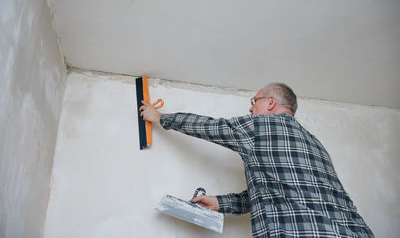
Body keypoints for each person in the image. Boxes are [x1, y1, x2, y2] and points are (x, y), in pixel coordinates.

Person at [140, 82, 374, 237]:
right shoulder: (316, 144)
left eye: (254, 101)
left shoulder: (261, 126)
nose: (251, 109)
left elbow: (211, 127)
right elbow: (278, 190)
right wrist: (221, 203)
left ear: (270, 103)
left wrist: (161, 117)